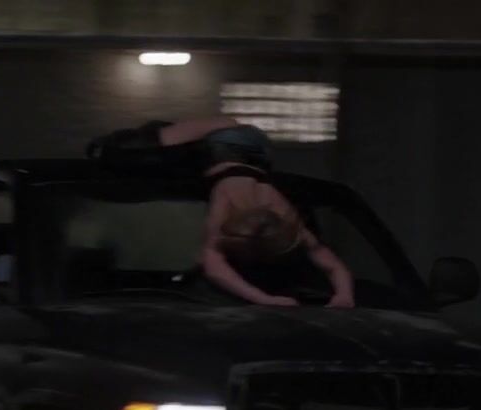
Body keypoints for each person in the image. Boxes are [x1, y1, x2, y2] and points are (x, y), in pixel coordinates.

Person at [87, 117, 355, 308]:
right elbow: (213, 265)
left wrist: (344, 295)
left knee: (130, 149)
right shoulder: (230, 199)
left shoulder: (279, 208)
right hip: (227, 145)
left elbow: (329, 262)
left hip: (250, 148)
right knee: (119, 152)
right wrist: (264, 299)